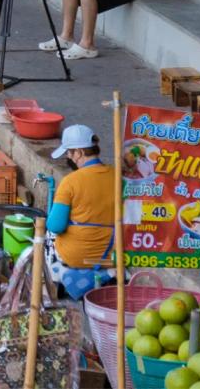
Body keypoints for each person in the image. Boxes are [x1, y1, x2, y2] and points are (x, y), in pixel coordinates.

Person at [46, 124, 116, 298]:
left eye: (69, 153)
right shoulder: (118, 176)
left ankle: (54, 285)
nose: (69, 157)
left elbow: (55, 226)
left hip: (77, 256)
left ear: (78, 153)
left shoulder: (70, 182)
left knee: (46, 238)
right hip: (112, 253)